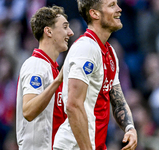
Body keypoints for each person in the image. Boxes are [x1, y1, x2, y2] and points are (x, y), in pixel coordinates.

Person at [53, 0, 137, 149]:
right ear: (94, 13)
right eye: (112, 5)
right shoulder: (86, 48)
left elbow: (117, 100)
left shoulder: (110, 52)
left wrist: (129, 127)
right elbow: (73, 105)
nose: (119, 9)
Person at [16, 5, 74, 150]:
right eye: (65, 27)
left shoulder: (51, 69)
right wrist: (57, 82)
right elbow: (28, 111)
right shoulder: (36, 65)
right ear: (48, 31)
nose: (71, 32)